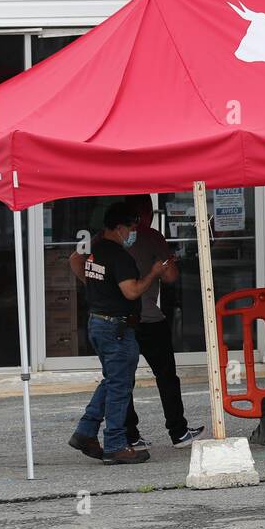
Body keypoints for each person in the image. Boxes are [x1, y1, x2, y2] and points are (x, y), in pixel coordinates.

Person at [67, 202, 167, 465]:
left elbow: (73, 261)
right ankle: (115, 444)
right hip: (117, 327)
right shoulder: (120, 257)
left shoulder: (95, 251)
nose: (134, 233)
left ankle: (85, 432)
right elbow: (132, 291)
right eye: (132, 228)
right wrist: (154, 273)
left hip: (99, 322)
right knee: (120, 386)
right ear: (120, 227)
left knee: (113, 379)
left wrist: (95, 288)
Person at [121, 195, 204, 450]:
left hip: (119, 319)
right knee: (166, 375)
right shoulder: (151, 236)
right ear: (146, 211)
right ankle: (178, 431)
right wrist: (167, 263)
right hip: (149, 316)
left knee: (124, 379)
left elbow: (76, 260)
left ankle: (130, 434)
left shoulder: (107, 238)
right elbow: (170, 275)